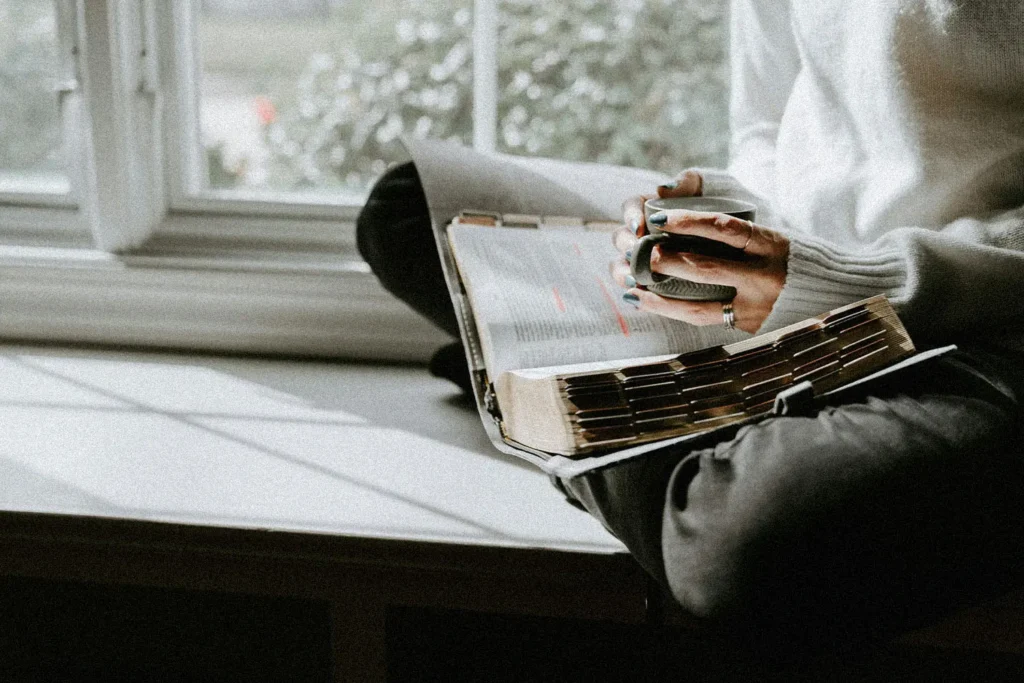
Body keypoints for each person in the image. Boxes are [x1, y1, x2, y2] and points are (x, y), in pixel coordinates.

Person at [358, 0, 1024, 662]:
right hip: (806, 264)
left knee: (743, 546)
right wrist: (732, 217)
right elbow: (766, 124)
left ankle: (542, 400)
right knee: (410, 210)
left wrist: (836, 279)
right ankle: (651, 411)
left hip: (989, 324)